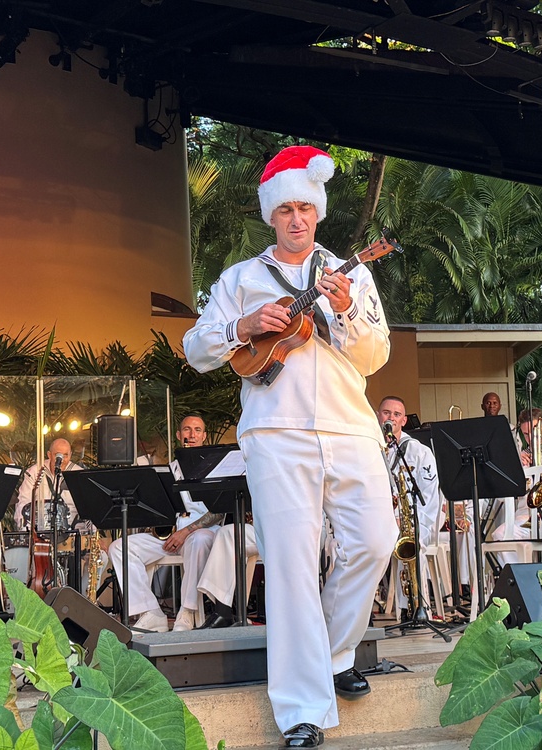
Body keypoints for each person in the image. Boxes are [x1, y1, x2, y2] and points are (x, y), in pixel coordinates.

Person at [183, 145, 396, 749]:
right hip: (274, 435)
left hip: (351, 427)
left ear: (319, 213)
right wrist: (243, 327)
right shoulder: (241, 279)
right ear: (271, 215)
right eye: (286, 210)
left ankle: (332, 654)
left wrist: (347, 310)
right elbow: (197, 348)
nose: (296, 219)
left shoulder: (351, 273)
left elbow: (375, 356)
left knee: (376, 540)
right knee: (292, 566)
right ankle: (302, 710)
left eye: (306, 208)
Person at [107, 415, 223, 633]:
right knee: (120, 548)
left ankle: (187, 611)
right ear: (179, 436)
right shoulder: (170, 468)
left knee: (198, 539)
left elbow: (218, 511)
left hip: (205, 532)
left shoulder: (215, 466)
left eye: (197, 430)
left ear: (204, 436)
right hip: (174, 536)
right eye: (187, 430)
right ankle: (151, 612)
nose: (192, 435)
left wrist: (187, 531)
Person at [376, 396, 444, 616]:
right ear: (379, 416)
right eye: (387, 413)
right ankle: (364, 608)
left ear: (404, 421)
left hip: (416, 519)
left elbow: (430, 496)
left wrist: (414, 526)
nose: (391, 418)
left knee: (411, 546)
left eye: (396, 415)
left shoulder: (419, 452)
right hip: (379, 521)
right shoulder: (370, 449)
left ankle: (412, 606)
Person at [13, 438, 81, 532]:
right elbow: (23, 504)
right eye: (58, 455)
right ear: (49, 455)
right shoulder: (35, 472)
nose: (61, 460)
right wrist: (26, 531)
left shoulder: (79, 474)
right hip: (39, 532)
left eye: (66, 455)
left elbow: (90, 509)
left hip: (71, 533)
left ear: (70, 455)